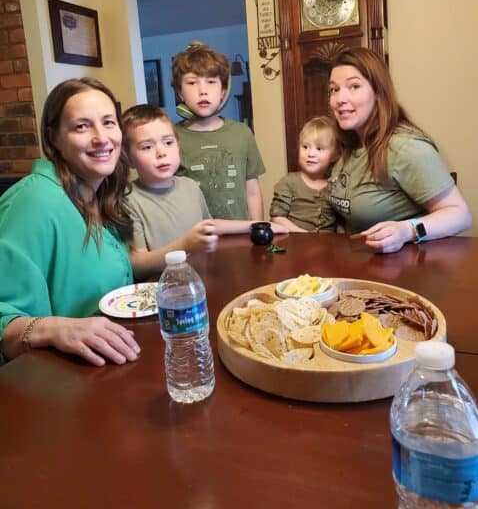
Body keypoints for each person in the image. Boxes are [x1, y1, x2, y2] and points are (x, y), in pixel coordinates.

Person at [0, 78, 140, 366]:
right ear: (54, 139)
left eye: (108, 122)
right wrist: (55, 328)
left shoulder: (99, 195)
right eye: (82, 126)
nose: (102, 138)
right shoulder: (34, 201)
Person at [327, 47, 471, 253]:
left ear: (378, 93)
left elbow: (460, 215)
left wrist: (406, 230)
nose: (339, 99)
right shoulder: (349, 146)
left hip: (406, 271)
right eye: (334, 89)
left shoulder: (405, 147)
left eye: (354, 86)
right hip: (359, 267)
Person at [122, 104, 287, 279]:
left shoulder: (190, 186)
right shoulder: (129, 199)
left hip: (203, 281)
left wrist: (254, 225)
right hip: (166, 293)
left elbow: (209, 226)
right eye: (147, 147)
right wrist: (185, 245)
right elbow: (138, 265)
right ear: (128, 158)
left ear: (178, 146)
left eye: (168, 142)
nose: (161, 152)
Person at [172, 42, 266, 220]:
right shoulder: (170, 138)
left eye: (211, 82)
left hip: (241, 237)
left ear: (223, 90)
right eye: (192, 82)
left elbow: (252, 192)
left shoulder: (242, 133)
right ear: (180, 92)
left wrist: (257, 229)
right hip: (194, 239)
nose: (203, 91)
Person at [270, 116, 338, 232]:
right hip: (297, 244)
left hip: (329, 246)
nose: (311, 153)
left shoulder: (335, 185)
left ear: (334, 155)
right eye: (305, 147)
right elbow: (277, 217)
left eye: (319, 148)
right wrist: (304, 235)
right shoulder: (289, 182)